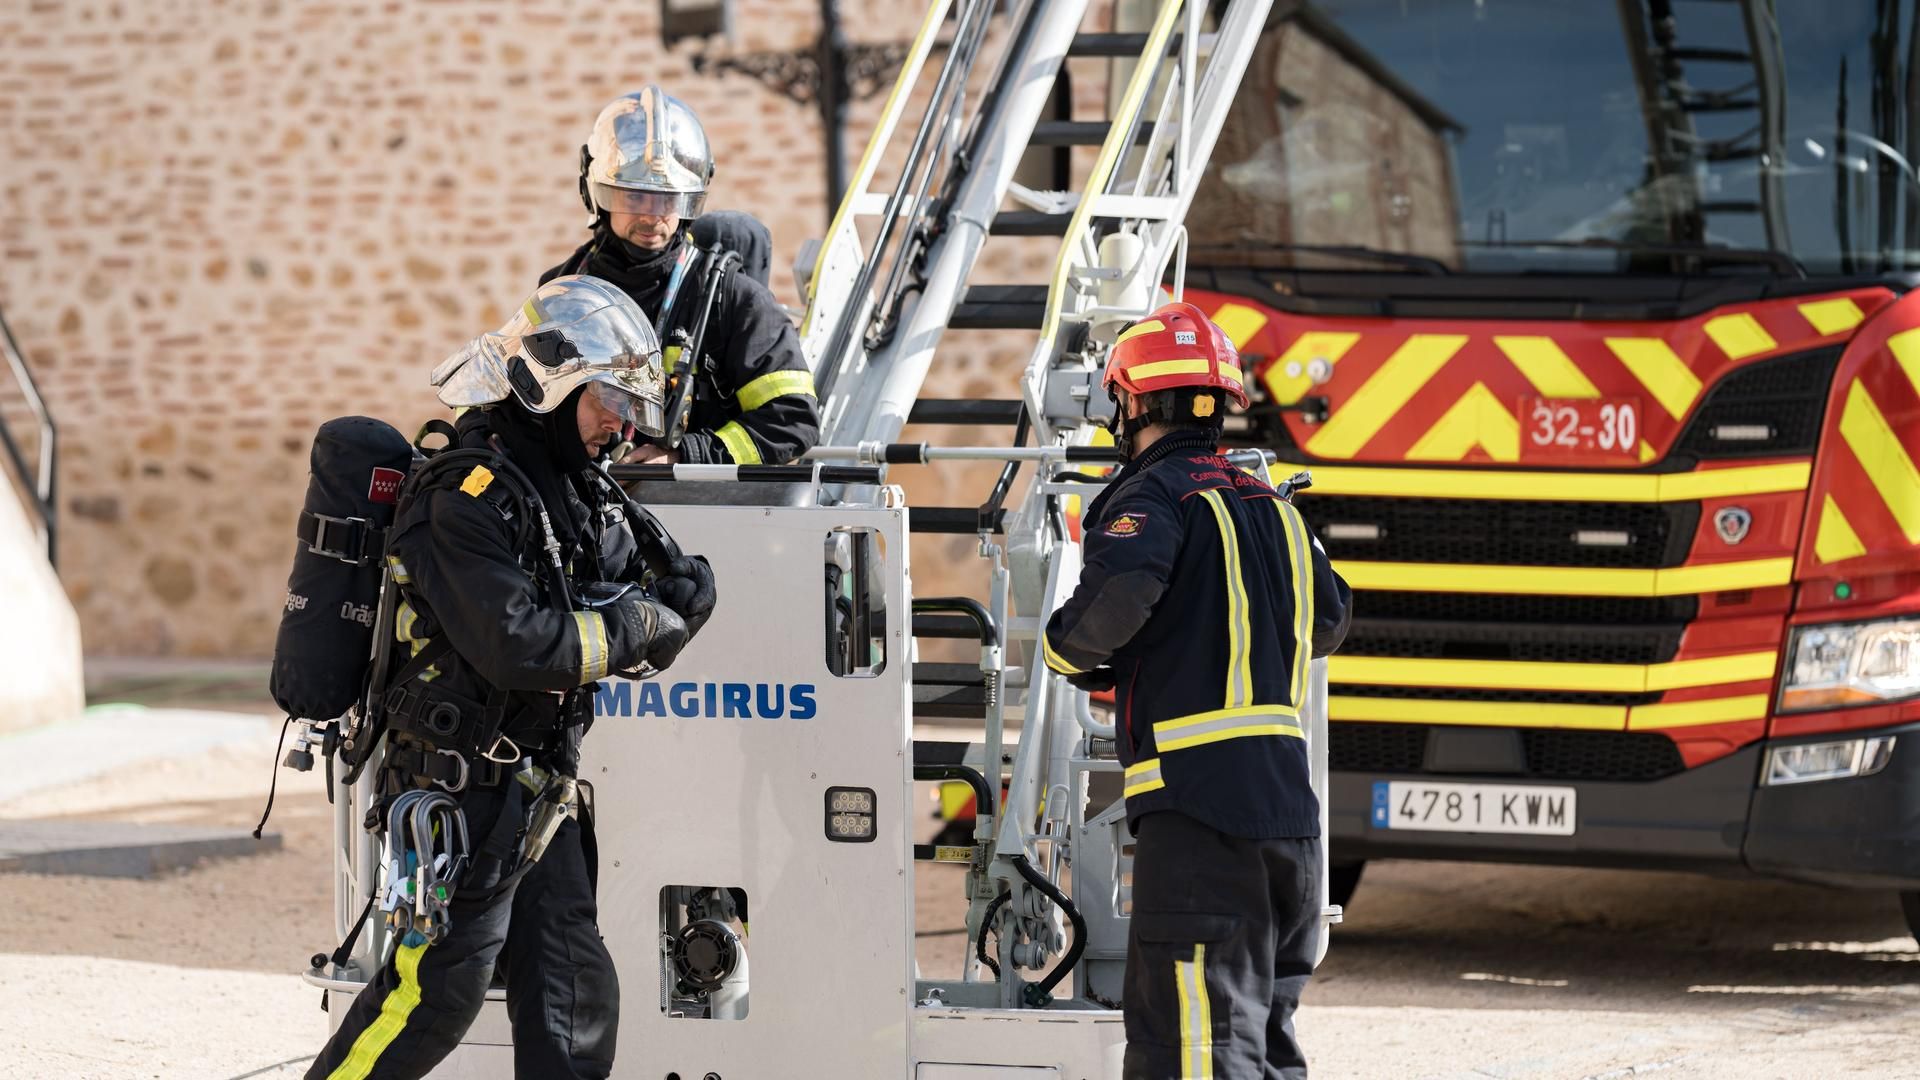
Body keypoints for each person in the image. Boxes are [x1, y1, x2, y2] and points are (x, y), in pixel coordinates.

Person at [306, 275, 717, 1080]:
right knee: (431, 999)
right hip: (461, 791)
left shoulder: (569, 487)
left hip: (536, 792)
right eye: (609, 399)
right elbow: (517, 645)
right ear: (551, 385)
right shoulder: (463, 498)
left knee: (573, 991)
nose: (622, 424)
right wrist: (632, 629)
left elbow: (641, 589)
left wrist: (679, 600)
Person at [1039, 301, 1351, 1079]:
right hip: (1290, 819)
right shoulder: (1275, 507)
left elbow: (1110, 609)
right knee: (1262, 1042)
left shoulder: (1151, 497)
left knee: (1193, 1047)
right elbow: (1329, 618)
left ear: (1135, 404)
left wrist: (1060, 650)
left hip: (1200, 819)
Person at [542, 85, 818, 467]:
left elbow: (792, 419)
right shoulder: (561, 289)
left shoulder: (733, 299)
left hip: (692, 500)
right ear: (597, 195)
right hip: (577, 494)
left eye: (668, 200)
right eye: (634, 197)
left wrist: (684, 456)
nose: (652, 217)